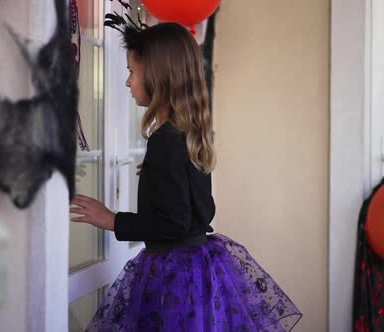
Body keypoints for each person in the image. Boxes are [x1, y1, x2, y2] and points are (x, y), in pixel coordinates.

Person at [70, 21, 301, 332]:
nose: (127, 81)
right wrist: (159, 175)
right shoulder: (188, 134)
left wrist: (112, 220)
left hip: (173, 277)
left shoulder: (165, 140)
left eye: (132, 72)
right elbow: (202, 211)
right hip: (200, 268)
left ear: (158, 77)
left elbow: (174, 222)